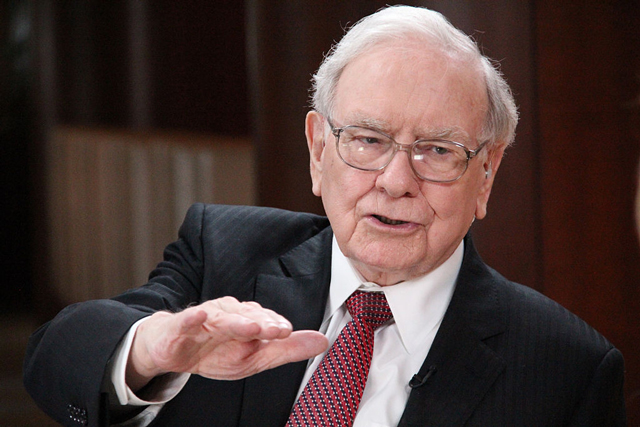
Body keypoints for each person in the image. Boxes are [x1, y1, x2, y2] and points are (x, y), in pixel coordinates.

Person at [24, 5, 626, 427]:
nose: (396, 181)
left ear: (486, 173)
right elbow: (55, 357)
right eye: (368, 140)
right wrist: (152, 351)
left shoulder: (567, 369)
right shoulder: (223, 252)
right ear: (318, 151)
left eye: (438, 151)